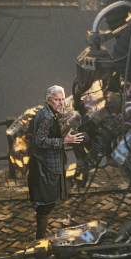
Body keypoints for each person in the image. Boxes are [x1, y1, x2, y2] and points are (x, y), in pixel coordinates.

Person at [28, 85, 83, 239]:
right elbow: (40, 141)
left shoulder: (47, 113)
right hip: (45, 166)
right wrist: (63, 141)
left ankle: (42, 232)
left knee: (47, 201)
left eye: (62, 99)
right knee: (47, 202)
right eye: (57, 100)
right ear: (48, 100)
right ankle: (40, 235)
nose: (61, 103)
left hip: (46, 165)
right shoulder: (46, 117)